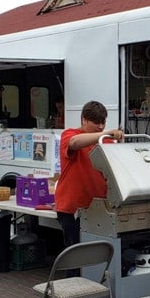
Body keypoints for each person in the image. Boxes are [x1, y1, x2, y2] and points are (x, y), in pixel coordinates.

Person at [54, 100, 124, 248]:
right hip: (72, 207)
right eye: (96, 122)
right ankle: (73, 272)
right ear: (84, 120)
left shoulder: (106, 141)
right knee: (75, 251)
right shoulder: (70, 134)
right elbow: (74, 142)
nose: (100, 126)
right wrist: (104, 133)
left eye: (103, 122)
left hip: (99, 206)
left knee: (96, 250)